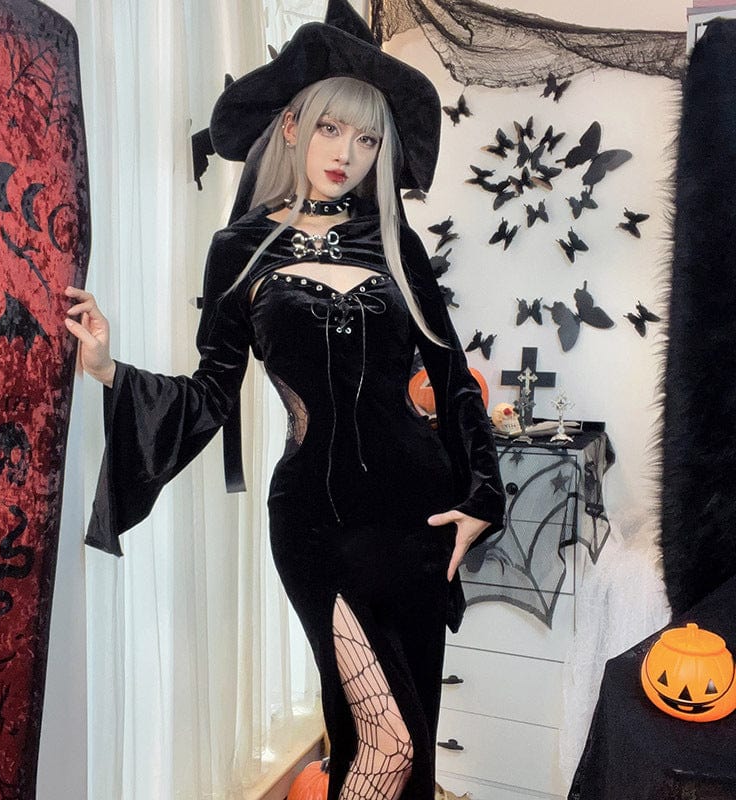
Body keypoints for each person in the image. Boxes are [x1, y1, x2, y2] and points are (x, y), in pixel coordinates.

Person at [65, 3, 504, 799]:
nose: (347, 153)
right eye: (332, 128)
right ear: (294, 126)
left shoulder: (395, 244)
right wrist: (107, 368)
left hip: (417, 518)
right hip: (315, 523)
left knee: (403, 745)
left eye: (367, 139)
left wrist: (484, 497)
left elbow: (451, 378)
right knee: (387, 743)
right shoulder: (239, 249)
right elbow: (210, 392)